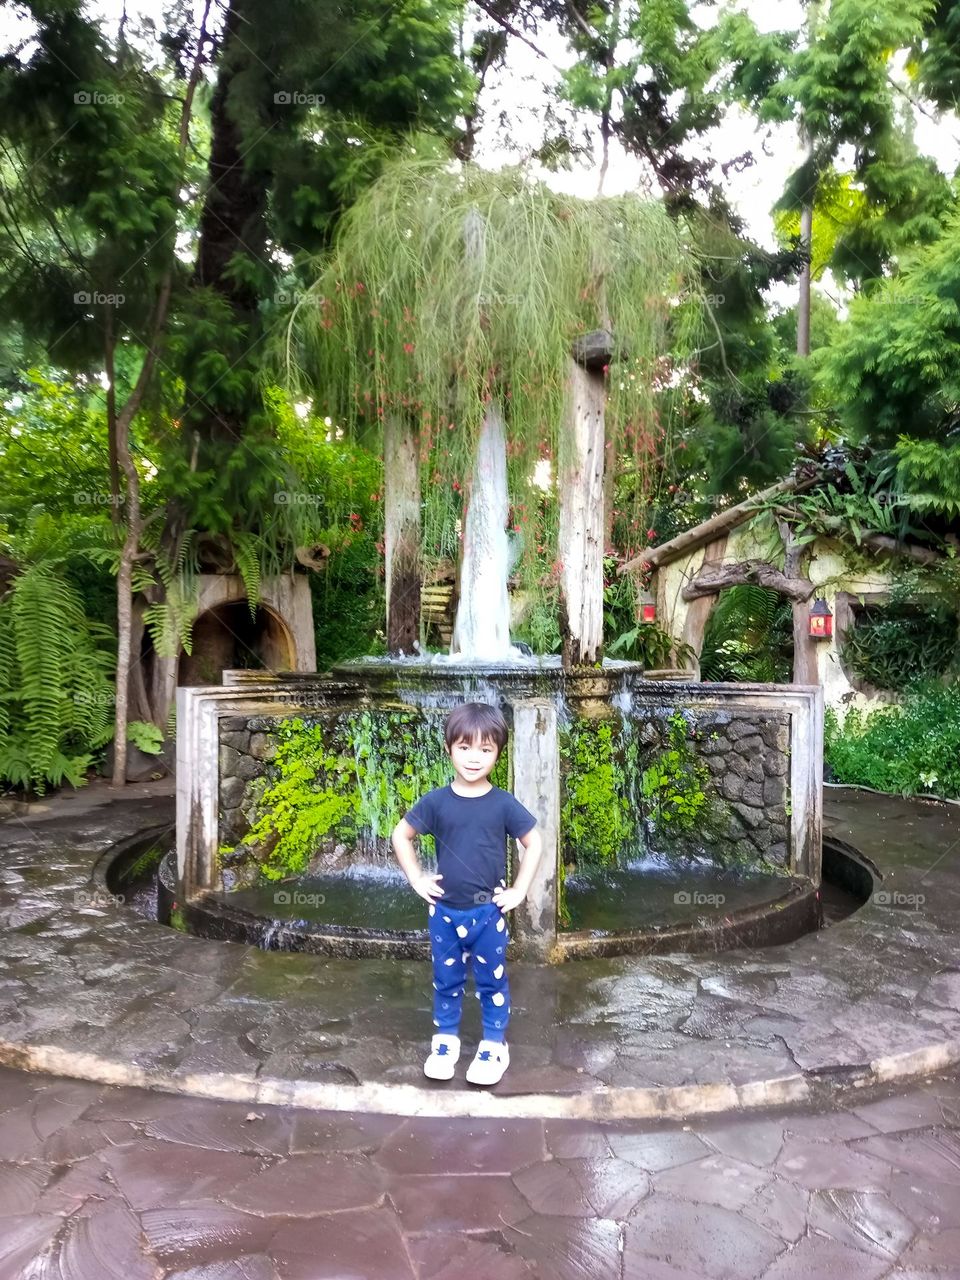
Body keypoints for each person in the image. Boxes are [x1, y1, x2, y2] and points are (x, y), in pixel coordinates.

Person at [391, 701, 542, 1086]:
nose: (474, 758)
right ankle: (445, 1040)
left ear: (498, 753)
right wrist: (416, 878)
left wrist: (520, 890)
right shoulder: (437, 801)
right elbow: (400, 835)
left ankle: (494, 1043)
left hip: (487, 914)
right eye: (464, 747)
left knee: (492, 980)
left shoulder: (503, 804)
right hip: (443, 912)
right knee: (446, 979)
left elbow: (535, 842)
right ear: (448, 748)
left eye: (485, 750)